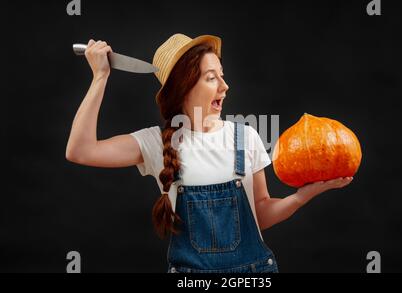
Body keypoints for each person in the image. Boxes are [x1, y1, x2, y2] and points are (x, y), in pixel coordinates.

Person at [66, 33, 353, 273]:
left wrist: (303, 196)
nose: (225, 87)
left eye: (222, 76)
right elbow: (80, 150)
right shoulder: (156, 142)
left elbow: (260, 214)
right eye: (211, 78)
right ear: (184, 86)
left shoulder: (246, 136)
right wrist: (100, 77)